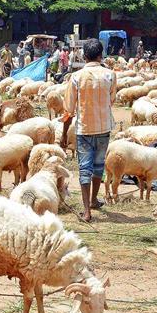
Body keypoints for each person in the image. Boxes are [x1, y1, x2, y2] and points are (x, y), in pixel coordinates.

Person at [63, 38, 115, 222]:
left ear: (84, 56)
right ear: (101, 55)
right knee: (99, 166)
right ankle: (93, 199)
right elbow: (112, 100)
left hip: (84, 129)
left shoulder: (76, 77)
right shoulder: (110, 75)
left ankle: (86, 211)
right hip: (103, 128)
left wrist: (63, 133)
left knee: (85, 168)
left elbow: (68, 108)